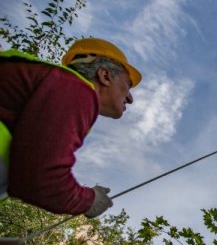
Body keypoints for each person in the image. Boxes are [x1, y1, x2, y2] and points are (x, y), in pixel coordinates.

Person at [0, 38, 142, 220]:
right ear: (105, 76)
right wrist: (89, 200)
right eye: (128, 85)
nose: (130, 98)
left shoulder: (60, 85)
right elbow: (39, 181)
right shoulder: (76, 88)